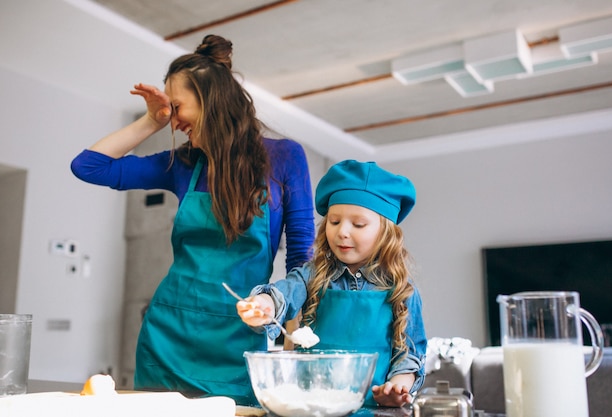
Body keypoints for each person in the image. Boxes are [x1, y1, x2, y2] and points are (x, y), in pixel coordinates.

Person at [70, 34, 316, 404]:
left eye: (176, 107)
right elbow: (87, 167)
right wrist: (151, 121)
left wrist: (286, 323)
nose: (173, 119)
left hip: (239, 343)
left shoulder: (284, 158)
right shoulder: (181, 164)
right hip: (168, 339)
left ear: (210, 101)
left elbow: (304, 261)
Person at [237, 159, 427, 407]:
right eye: (334, 222)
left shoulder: (402, 290)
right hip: (312, 406)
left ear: (385, 233)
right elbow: (284, 293)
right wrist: (264, 304)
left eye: (358, 224)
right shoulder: (312, 275)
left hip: (373, 409)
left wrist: (399, 386)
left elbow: (409, 355)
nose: (342, 232)